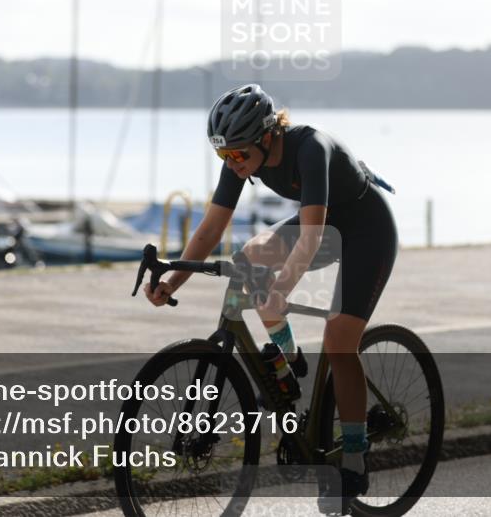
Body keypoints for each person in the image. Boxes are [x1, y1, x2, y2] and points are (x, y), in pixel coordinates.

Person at [144, 84, 398, 511]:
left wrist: (281, 292)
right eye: (224, 157)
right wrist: (174, 279)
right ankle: (289, 361)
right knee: (248, 259)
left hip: (367, 232)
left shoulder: (310, 147)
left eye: (239, 155)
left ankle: (354, 455)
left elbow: (313, 236)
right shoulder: (242, 157)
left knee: (339, 342)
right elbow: (210, 228)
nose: (233, 165)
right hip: (325, 226)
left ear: (267, 135)